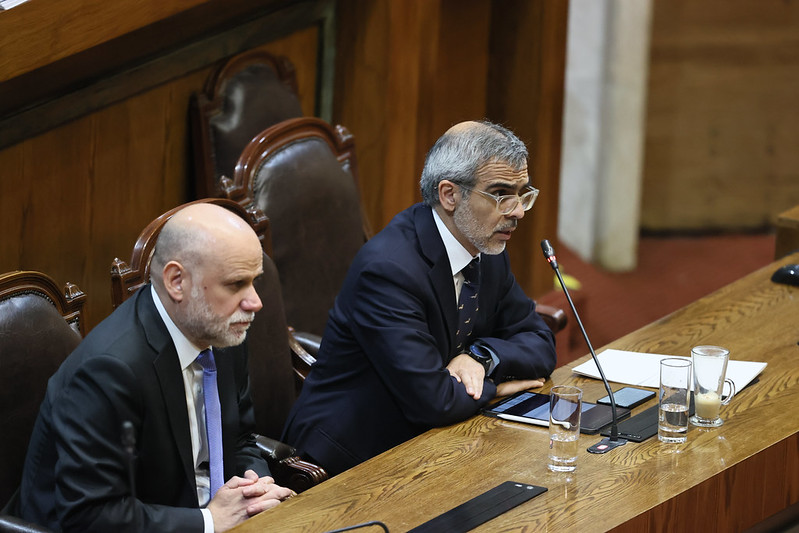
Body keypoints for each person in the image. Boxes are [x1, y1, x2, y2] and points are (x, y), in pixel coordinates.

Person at [282, 120, 557, 475]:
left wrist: (481, 358)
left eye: (522, 194)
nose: (517, 211)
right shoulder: (389, 270)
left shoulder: (487, 248)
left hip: (435, 443)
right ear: (449, 194)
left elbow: (540, 343)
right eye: (502, 194)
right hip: (350, 459)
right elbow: (435, 401)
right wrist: (498, 387)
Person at [18, 203, 293, 532]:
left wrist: (256, 487)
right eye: (236, 284)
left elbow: (240, 438)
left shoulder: (221, 328)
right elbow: (90, 516)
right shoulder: (109, 371)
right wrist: (210, 521)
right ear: (177, 281)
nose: (254, 301)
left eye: (254, 281)